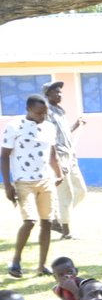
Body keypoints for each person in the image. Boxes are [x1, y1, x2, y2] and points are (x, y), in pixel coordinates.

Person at [2, 93, 62, 278]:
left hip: (46, 180)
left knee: (47, 222)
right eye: (38, 113)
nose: (42, 116)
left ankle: (42, 265)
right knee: (29, 221)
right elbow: (4, 156)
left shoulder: (49, 128)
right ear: (28, 109)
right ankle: (16, 261)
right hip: (23, 181)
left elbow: (52, 154)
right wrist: (7, 184)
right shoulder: (13, 126)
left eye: (45, 113)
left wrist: (58, 173)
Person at [43, 81, 86, 239]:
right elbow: (48, 138)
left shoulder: (60, 112)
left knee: (81, 191)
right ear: (47, 95)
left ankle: (58, 220)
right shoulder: (46, 112)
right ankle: (66, 231)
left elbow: (64, 134)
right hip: (59, 156)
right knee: (65, 193)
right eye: (56, 92)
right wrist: (56, 162)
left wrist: (76, 125)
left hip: (70, 155)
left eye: (60, 92)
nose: (60, 94)